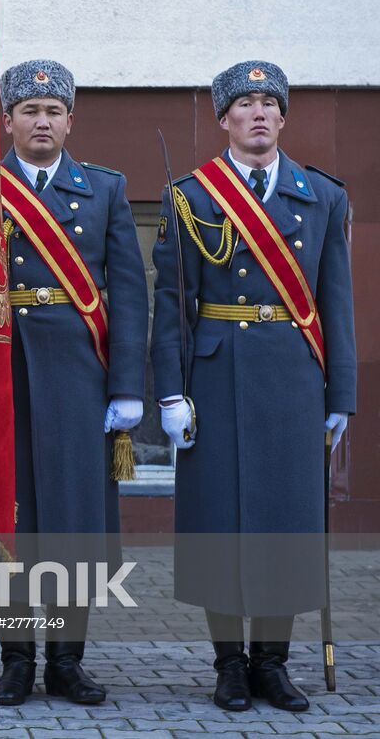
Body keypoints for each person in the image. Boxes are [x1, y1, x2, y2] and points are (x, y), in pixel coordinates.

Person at [152, 60, 356, 713]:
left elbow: (336, 303)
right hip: (214, 375)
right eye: (246, 104)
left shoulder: (321, 197)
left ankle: (273, 662)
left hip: (293, 378)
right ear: (224, 119)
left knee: (284, 524)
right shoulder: (191, 195)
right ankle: (228, 664)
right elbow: (173, 305)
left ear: (284, 118)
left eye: (271, 103)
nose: (260, 113)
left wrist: (340, 395)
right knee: (219, 522)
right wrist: (170, 392)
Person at [0, 60, 149, 706]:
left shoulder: (105, 190)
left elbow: (132, 295)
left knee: (75, 520)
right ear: (8, 120)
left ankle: (66, 659)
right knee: (10, 518)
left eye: (54, 110)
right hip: (2, 372)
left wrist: (127, 386)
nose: (42, 120)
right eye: (30, 110)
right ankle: (16, 656)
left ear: (70, 121)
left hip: (79, 375)